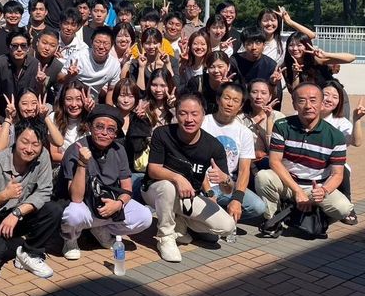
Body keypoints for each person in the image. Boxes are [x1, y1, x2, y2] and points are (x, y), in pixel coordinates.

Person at [142, 93, 237, 263]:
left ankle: (181, 221)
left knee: (227, 226)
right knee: (168, 186)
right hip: (155, 191)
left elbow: (227, 190)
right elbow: (153, 170)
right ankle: (165, 237)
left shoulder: (213, 146)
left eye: (194, 114)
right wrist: (177, 177)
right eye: (183, 113)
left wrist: (225, 179)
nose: (189, 119)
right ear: (176, 114)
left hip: (188, 197)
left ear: (203, 115)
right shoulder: (162, 133)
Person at [255, 83, 352, 237]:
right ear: (294, 104)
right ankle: (273, 219)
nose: (308, 106)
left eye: (313, 100)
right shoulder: (282, 126)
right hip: (288, 183)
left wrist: (323, 191)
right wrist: (298, 191)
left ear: (321, 104)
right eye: (301, 101)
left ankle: (317, 220)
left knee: (344, 208)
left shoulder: (335, 136)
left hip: (316, 187)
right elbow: (274, 161)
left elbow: (337, 174)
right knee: (263, 177)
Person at [59, 105, 153, 260]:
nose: (104, 133)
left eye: (111, 129)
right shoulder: (76, 149)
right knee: (73, 215)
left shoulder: (119, 150)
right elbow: (76, 197)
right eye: (99, 127)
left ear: (116, 133)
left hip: (109, 201)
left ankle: (101, 228)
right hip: (85, 203)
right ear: (90, 127)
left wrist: (118, 204)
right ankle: (70, 239)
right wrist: (82, 164)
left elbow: (127, 188)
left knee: (144, 216)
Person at [0, 119, 63, 278]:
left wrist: (17, 213)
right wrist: (5, 195)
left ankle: (29, 253)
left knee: (53, 210)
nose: (29, 149)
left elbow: (45, 191)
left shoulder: (43, 155)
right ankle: (0, 244)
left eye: (35, 144)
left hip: (20, 214)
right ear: (15, 139)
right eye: (24, 142)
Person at [200, 83, 267, 223]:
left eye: (235, 100)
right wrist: (209, 192)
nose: (230, 104)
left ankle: (223, 217)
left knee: (258, 207)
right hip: (201, 184)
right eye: (227, 98)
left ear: (241, 106)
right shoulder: (202, 123)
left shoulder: (244, 133)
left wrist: (237, 199)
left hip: (227, 185)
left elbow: (244, 170)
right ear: (218, 99)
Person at [321, 81, 365, 225]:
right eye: (326, 94)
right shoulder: (304, 115)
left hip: (331, 166)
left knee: (343, 169)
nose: (329, 99)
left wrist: (357, 120)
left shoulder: (340, 122)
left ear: (339, 102)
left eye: (335, 97)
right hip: (306, 164)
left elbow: (357, 142)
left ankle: (348, 204)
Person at [0, 30, 40, 137]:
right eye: (15, 46)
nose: (19, 49)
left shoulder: (35, 64)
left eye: (23, 46)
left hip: (27, 114)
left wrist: (41, 83)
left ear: (28, 47)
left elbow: (37, 94)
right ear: (8, 47)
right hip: (3, 114)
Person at [67, 26, 121, 104]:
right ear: (91, 42)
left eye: (106, 43)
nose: (101, 47)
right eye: (98, 42)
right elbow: (59, 79)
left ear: (112, 45)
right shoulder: (77, 57)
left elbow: (111, 90)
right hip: (72, 97)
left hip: (92, 101)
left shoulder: (114, 65)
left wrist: (108, 109)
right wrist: (69, 75)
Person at [49, 81, 93, 169]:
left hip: (89, 166)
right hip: (62, 167)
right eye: (69, 99)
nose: (73, 104)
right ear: (63, 100)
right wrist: (79, 160)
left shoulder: (91, 118)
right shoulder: (53, 117)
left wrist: (91, 113)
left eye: (78, 99)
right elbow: (54, 155)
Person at [184, 51, 239, 115]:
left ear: (228, 67)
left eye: (220, 67)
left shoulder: (234, 87)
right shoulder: (197, 82)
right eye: (212, 67)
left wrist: (225, 89)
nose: (216, 70)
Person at [129, 27, 168, 92]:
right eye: (147, 43)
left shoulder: (171, 60)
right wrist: (141, 68)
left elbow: (175, 87)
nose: (151, 47)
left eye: (155, 43)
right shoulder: (135, 63)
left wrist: (168, 64)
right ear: (142, 45)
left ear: (161, 44)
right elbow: (138, 93)